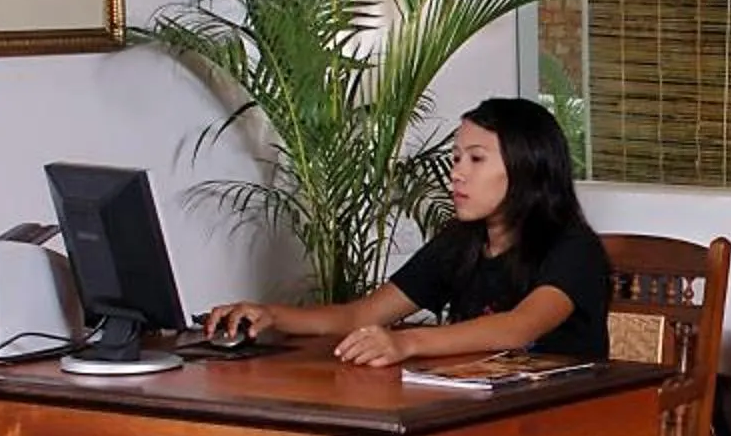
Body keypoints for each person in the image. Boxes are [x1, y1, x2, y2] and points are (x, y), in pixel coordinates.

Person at [200, 96, 613, 366]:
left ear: (528, 167)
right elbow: (360, 314)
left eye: (476, 159)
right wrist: (271, 315)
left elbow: (518, 327)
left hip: (564, 425)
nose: (457, 175)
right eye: (455, 159)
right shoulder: (461, 244)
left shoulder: (573, 248)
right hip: (482, 416)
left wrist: (407, 342)